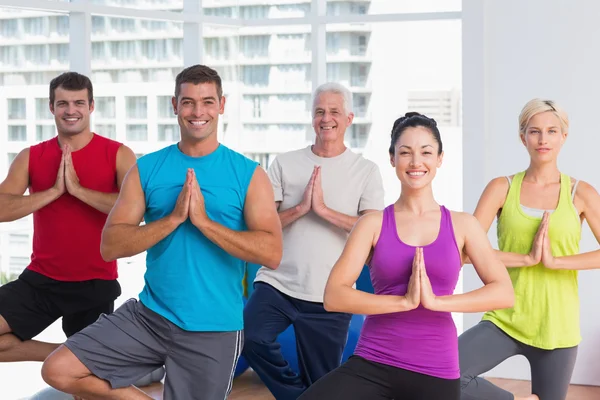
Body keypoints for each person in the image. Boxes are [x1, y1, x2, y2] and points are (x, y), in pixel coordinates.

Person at [40, 64, 283, 400]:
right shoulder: (147, 168)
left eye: (207, 102)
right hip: (149, 317)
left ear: (222, 105)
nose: (198, 112)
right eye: (188, 102)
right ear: (174, 105)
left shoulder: (248, 174)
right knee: (58, 368)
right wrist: (172, 219)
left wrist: (204, 223)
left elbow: (271, 252)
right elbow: (110, 245)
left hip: (213, 328)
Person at [298, 112, 514, 400]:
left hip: (436, 367)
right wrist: (402, 301)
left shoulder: (463, 225)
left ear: (439, 159)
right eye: (405, 153)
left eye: (426, 152)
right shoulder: (371, 224)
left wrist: (437, 302)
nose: (416, 162)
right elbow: (334, 296)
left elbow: (503, 292)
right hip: (374, 361)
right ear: (392, 159)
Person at [241, 82, 385, 400]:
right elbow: (264, 226)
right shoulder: (284, 163)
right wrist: (301, 209)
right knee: (250, 337)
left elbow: (374, 231)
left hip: (331, 294)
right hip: (277, 284)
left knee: (324, 385)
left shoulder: (366, 171)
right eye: (319, 111)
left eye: (334, 111)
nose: (326, 118)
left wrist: (323, 211)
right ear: (311, 118)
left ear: (349, 118)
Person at [459, 99, 600, 400]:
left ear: (564, 136)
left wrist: (555, 262)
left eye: (552, 131)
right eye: (534, 131)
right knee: (445, 374)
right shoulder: (501, 188)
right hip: (505, 317)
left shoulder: (581, 193)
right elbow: (464, 251)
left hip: (557, 325)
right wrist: (524, 259)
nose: (543, 139)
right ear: (522, 137)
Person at [0, 72, 136, 363]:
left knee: (85, 385)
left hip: (95, 283)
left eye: (78, 103)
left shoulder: (119, 154)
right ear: (51, 107)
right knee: (80, 365)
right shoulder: (31, 156)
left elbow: (134, 211)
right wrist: (53, 192)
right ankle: (70, 355)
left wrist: (77, 190)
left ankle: (78, 359)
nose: (70, 110)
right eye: (62, 103)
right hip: (41, 281)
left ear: (91, 106)